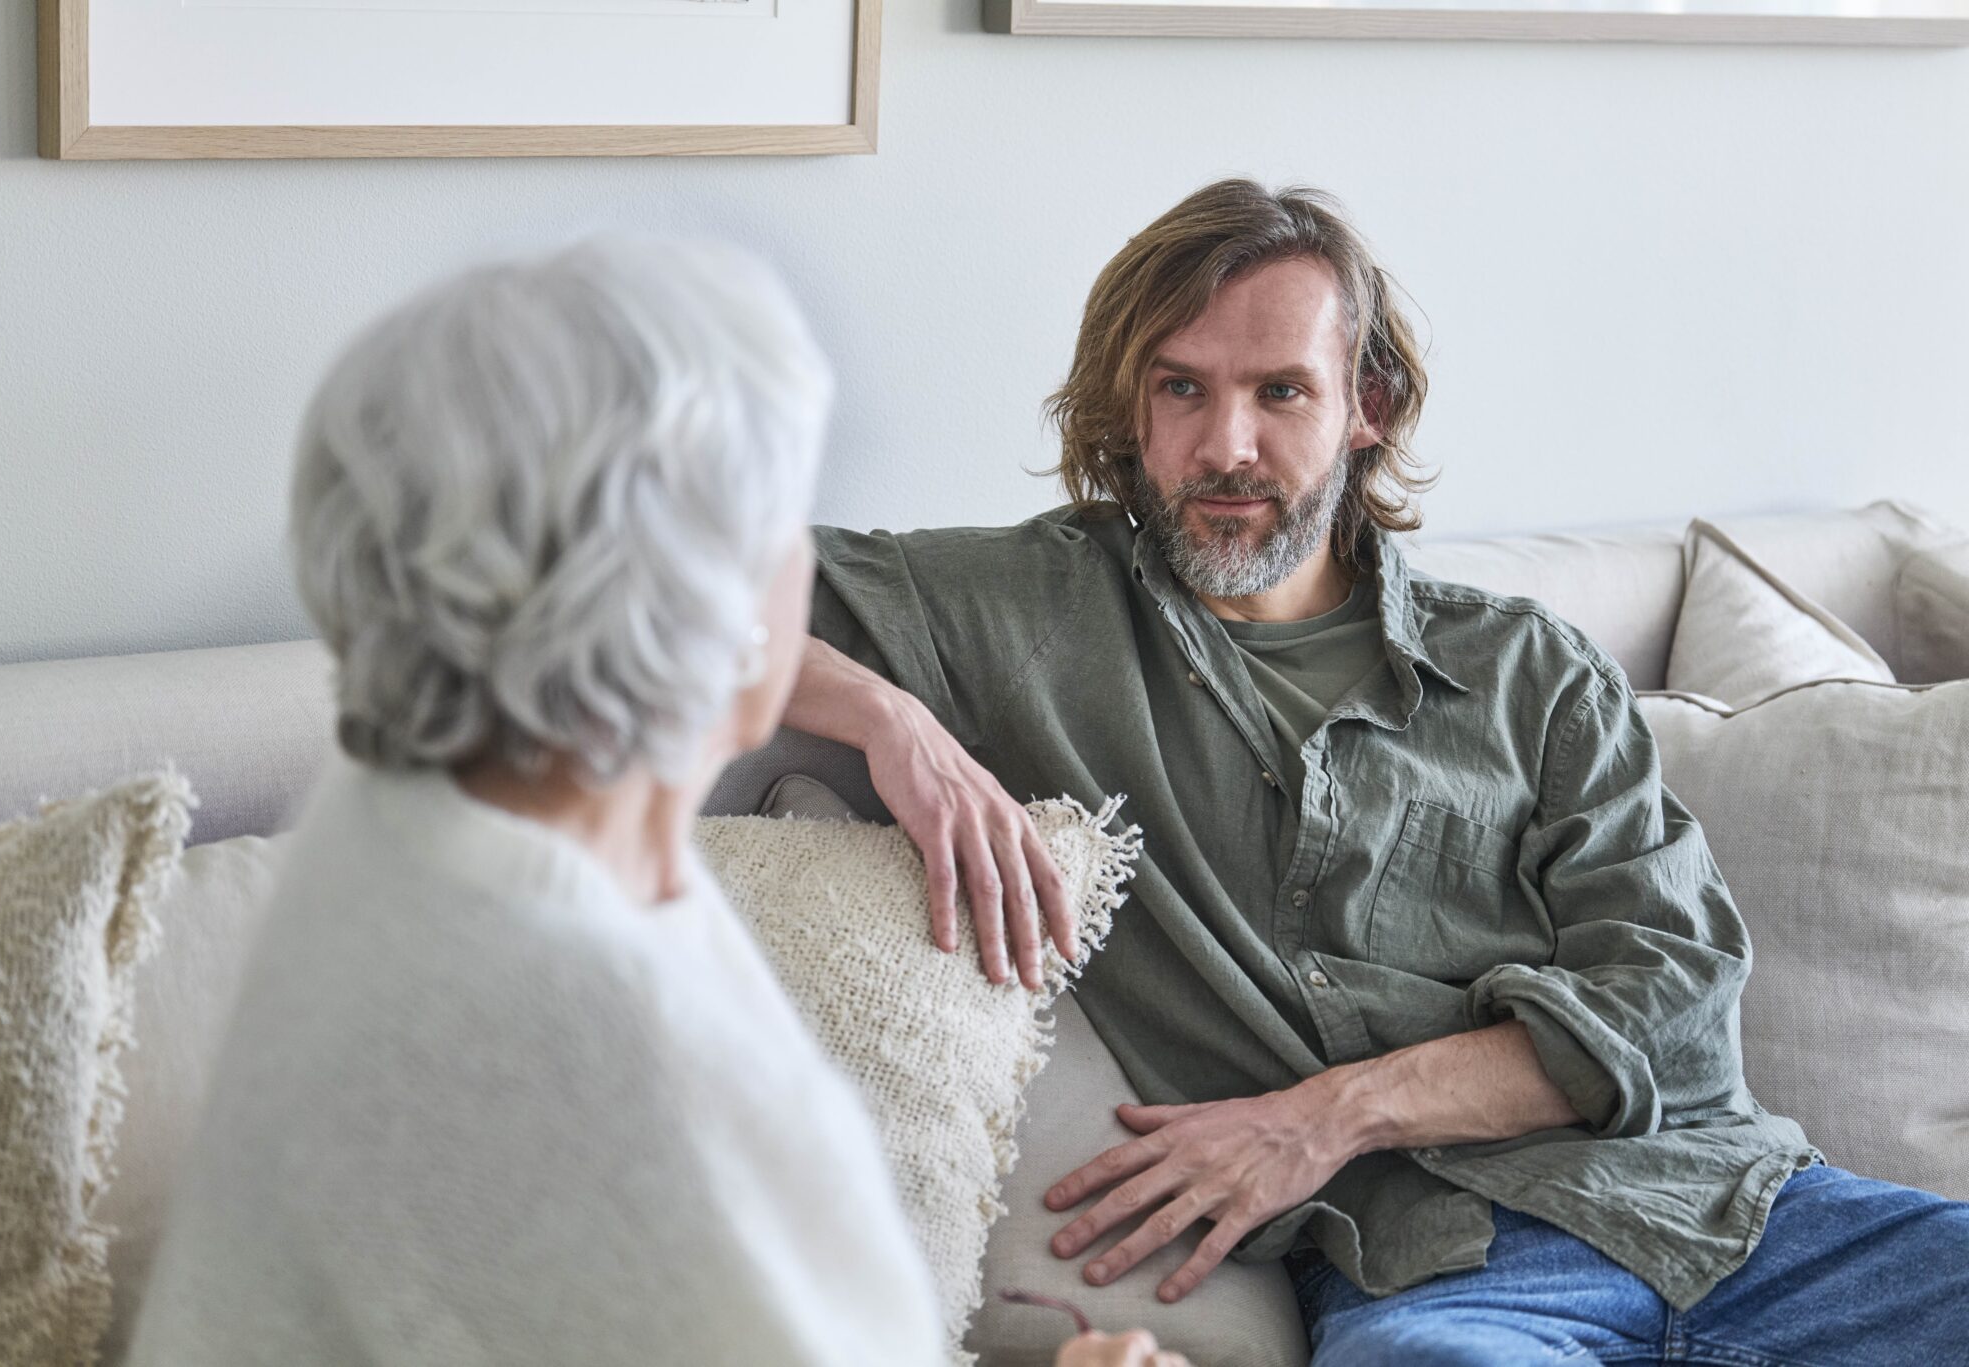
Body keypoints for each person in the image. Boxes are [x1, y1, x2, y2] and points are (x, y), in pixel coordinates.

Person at [788, 178, 1969, 1363]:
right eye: (1180, 387)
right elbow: (641, 584)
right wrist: (891, 717)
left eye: (1279, 390)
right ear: (1129, 409)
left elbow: (1672, 1005)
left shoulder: (1526, 668)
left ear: (1368, 402)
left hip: (1734, 1218)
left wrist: (1325, 1115)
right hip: (1440, 1276)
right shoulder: (1028, 616)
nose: (1224, 445)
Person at [122, 235, 1185, 1367]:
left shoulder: (425, 824)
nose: (800, 563)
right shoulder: (580, 1041)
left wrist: (880, 711)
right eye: (779, 522)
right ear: (686, 592)